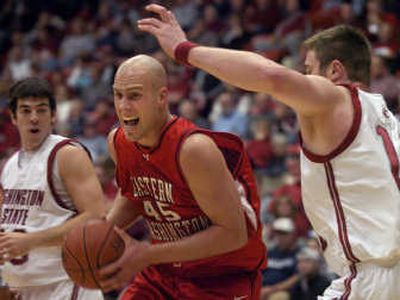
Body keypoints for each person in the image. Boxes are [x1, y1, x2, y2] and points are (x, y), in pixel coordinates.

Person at [138, 4, 400, 299]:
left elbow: (272, 77)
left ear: (335, 71)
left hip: (374, 277)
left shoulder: (335, 99)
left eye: (309, 70)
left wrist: (184, 49)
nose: (305, 78)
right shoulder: (385, 116)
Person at [98, 54, 266, 299]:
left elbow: (233, 233)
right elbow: (137, 195)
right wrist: (103, 232)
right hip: (164, 272)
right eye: (118, 95)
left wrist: (145, 254)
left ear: (162, 97)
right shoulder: (118, 141)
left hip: (221, 276)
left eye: (134, 95)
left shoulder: (193, 150)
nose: (123, 106)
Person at [0, 78, 106, 299]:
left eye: (41, 110)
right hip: (24, 290)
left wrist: (32, 240)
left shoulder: (66, 154)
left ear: (53, 116)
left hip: (66, 285)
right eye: (25, 111)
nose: (34, 118)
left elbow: (96, 218)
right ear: (13, 117)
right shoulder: (10, 166)